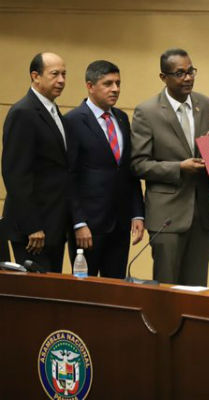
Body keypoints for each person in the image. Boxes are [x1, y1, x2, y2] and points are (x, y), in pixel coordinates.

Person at [130, 48, 209, 285]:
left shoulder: (204, 104)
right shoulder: (146, 112)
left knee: (197, 287)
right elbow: (138, 164)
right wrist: (179, 167)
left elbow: (207, 149)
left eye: (191, 71)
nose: (188, 78)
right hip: (166, 214)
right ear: (163, 77)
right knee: (167, 287)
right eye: (179, 73)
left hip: (201, 212)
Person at [65, 60, 145, 278]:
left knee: (116, 292)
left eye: (118, 83)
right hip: (88, 226)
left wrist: (137, 213)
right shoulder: (72, 121)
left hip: (120, 224)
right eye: (108, 84)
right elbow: (69, 177)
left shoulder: (121, 118)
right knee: (86, 293)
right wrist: (78, 222)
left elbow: (129, 170)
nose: (115, 89)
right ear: (90, 86)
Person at [2, 52, 71, 270]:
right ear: (35, 76)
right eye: (54, 74)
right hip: (34, 231)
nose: (61, 80)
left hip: (54, 224)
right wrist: (33, 226)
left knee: (54, 295)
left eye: (64, 74)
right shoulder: (23, 112)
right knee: (38, 298)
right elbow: (15, 174)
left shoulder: (52, 109)